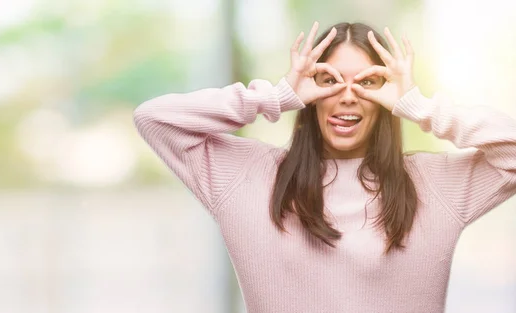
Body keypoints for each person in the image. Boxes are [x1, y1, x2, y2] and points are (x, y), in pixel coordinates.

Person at [132, 21, 516, 313]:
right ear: (309, 91)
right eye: (328, 80)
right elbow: (155, 119)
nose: (347, 96)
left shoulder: (435, 184)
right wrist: (278, 96)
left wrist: (419, 106)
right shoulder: (245, 176)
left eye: (368, 82)